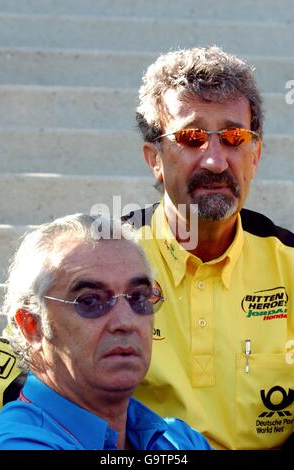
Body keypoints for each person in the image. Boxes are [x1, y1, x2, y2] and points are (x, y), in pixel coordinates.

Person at [122, 46, 294, 449]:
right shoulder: (96, 259)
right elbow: (19, 392)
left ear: (255, 155)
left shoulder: (289, 264)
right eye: (191, 137)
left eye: (235, 137)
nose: (216, 161)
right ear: (155, 160)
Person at [0, 213, 211, 450]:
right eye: (90, 301)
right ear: (31, 326)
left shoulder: (180, 439)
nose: (125, 321)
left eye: (138, 297)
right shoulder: (17, 442)